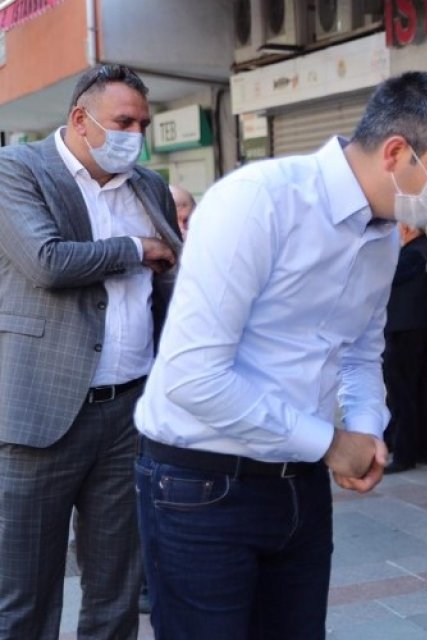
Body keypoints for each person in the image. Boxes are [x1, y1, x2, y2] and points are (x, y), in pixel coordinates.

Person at [132, 72, 427, 639]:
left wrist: (368, 431)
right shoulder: (260, 201)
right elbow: (193, 378)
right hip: (203, 488)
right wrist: (329, 443)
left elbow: (360, 351)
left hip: (299, 483)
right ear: (398, 152)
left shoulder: (380, 234)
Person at [0, 64, 180, 640]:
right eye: (123, 121)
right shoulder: (18, 170)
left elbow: (172, 277)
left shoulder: (148, 185)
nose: (136, 133)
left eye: (143, 123)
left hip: (129, 414)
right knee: (24, 596)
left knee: (116, 591)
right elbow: (47, 262)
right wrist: (134, 247)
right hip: (41, 414)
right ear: (81, 119)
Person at [383, 222, 427, 472]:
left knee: (402, 394)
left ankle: (404, 454)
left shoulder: (413, 255)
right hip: (423, 330)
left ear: (407, 227)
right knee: (420, 389)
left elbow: (387, 279)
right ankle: (425, 450)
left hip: (404, 332)